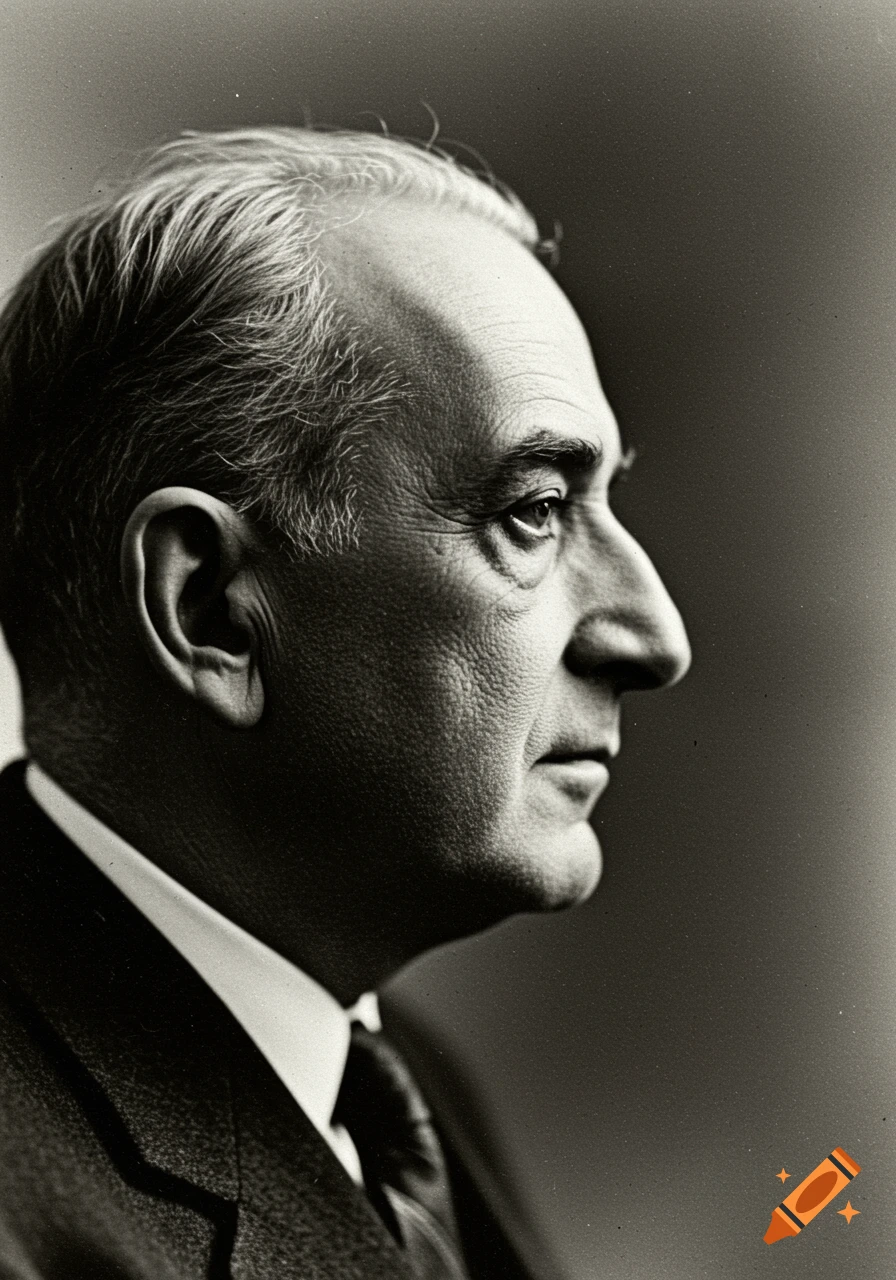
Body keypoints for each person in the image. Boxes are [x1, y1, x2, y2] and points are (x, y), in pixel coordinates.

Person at [0, 127, 690, 1279]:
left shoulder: (391, 1081)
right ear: (214, 608)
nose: (652, 636)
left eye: (604, 501)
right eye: (531, 510)